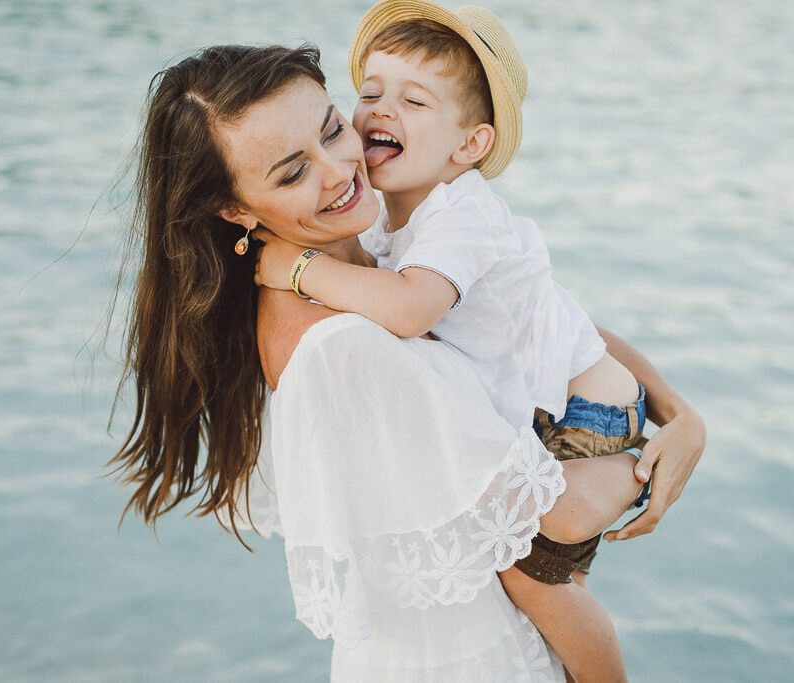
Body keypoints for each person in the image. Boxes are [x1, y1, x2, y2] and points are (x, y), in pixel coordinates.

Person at [108, 42, 705, 682]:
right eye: (291, 174)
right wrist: (647, 463)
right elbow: (538, 517)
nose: (339, 171)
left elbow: (543, 320)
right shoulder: (340, 346)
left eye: (333, 130)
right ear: (235, 209)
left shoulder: (375, 249)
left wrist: (678, 414)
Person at [251, 4, 661, 679]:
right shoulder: (391, 218)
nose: (382, 110)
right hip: (551, 407)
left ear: (469, 146)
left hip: (585, 419)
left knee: (537, 579)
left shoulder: (461, 215)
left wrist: (300, 268)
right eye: (371, 92)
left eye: (415, 100)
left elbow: (410, 310)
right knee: (551, 576)